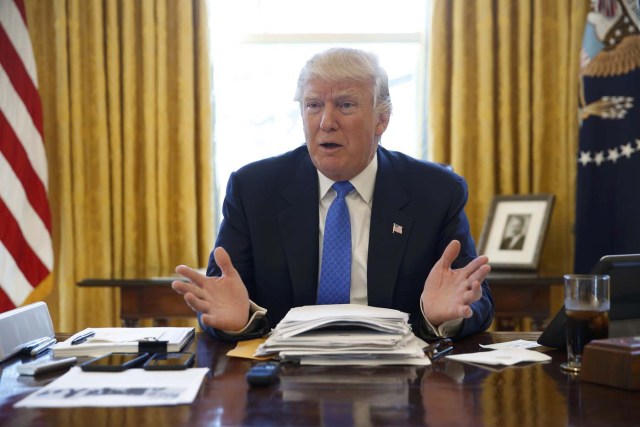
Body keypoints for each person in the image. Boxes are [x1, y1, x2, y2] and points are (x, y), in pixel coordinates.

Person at [172, 48, 494, 342]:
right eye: (313, 105)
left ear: (381, 119)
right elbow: (219, 297)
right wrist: (238, 320)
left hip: (398, 379)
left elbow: (474, 299)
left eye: (345, 105)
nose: (326, 122)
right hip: (285, 378)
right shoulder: (254, 190)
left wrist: (440, 319)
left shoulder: (435, 192)